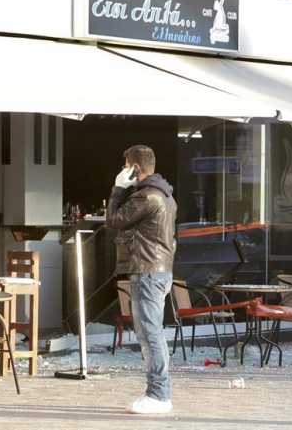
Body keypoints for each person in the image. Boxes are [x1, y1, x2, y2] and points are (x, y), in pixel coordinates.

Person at [106, 145, 178, 413]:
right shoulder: (165, 195)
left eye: (125, 165)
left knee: (150, 333)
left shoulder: (147, 197)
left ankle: (159, 394)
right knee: (151, 332)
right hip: (157, 269)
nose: (122, 170)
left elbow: (113, 220)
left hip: (148, 270)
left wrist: (117, 189)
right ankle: (158, 392)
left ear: (135, 168)